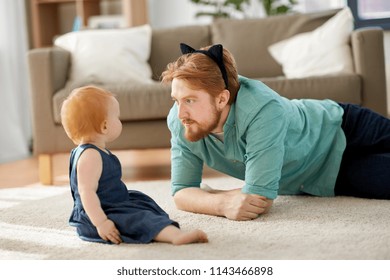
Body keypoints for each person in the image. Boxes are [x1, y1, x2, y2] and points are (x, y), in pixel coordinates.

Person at [160, 43, 390, 221]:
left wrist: (210, 197)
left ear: (222, 99)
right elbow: (182, 192)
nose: (180, 113)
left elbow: (256, 196)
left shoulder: (262, 108)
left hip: (343, 125)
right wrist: (223, 203)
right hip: (330, 173)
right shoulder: (181, 121)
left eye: (190, 100)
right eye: (176, 100)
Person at [61, 85, 208, 245]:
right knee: (139, 218)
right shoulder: (90, 155)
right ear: (104, 126)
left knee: (140, 201)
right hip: (99, 214)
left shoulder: (93, 151)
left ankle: (160, 225)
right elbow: (86, 193)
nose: (119, 120)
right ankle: (174, 236)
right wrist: (101, 223)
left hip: (112, 202)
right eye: (117, 117)